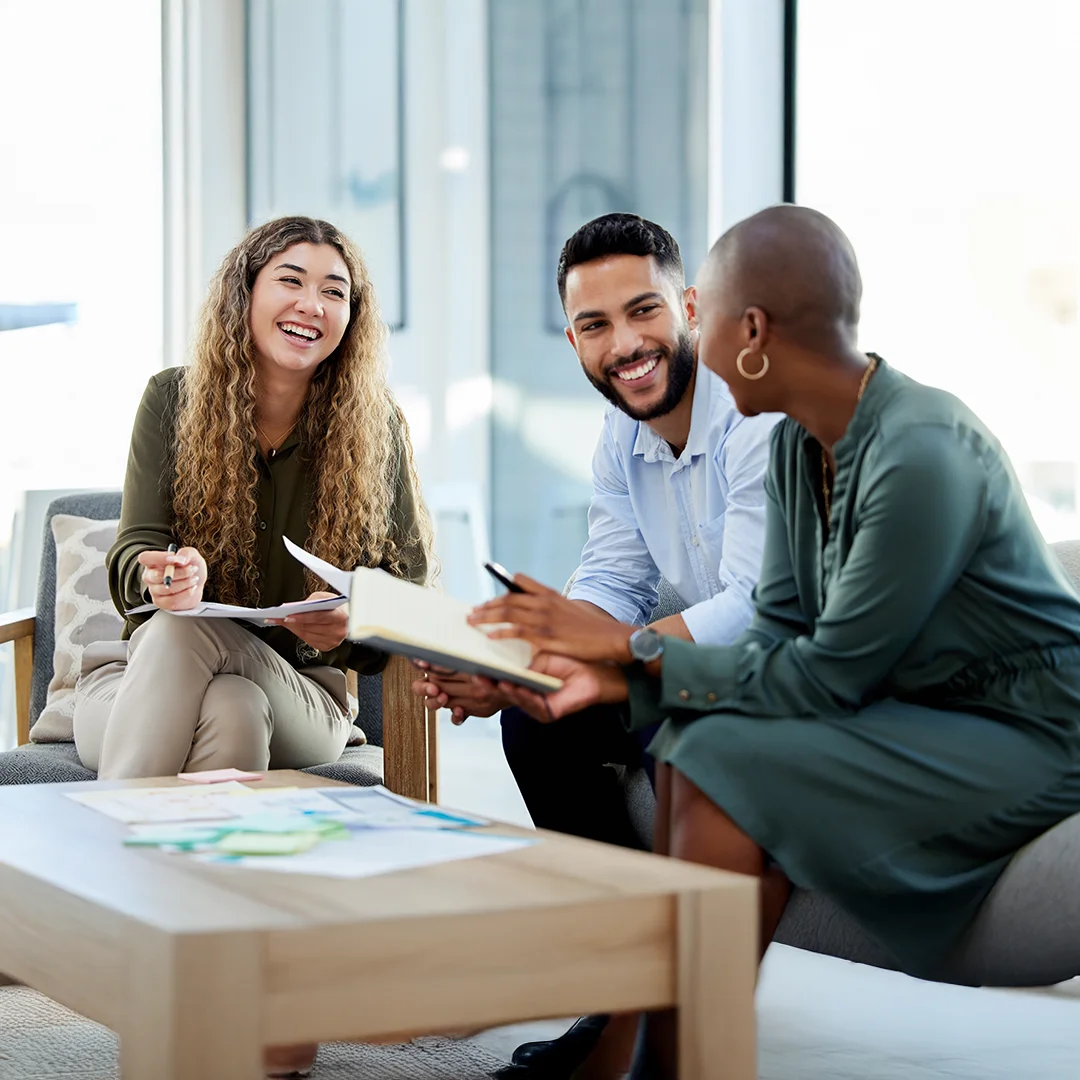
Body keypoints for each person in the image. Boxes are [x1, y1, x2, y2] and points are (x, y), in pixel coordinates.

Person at [478, 204, 1080, 1079]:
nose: (697, 347)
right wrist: (573, 669)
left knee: (719, 756)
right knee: (703, 741)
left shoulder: (920, 451)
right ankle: (672, 1050)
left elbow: (829, 672)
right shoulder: (805, 444)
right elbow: (786, 635)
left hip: (1019, 725)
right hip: (893, 700)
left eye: (699, 314)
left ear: (744, 328)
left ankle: (663, 1053)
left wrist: (622, 669)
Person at [71, 214, 432, 1078]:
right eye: (291, 280)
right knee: (212, 682)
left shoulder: (373, 425)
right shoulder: (173, 399)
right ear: (246, 293)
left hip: (307, 699)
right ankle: (229, 997)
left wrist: (351, 624)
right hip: (137, 689)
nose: (312, 303)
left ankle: (107, 917)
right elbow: (133, 551)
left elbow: (414, 598)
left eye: (334, 290)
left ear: (353, 316)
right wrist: (164, 580)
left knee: (224, 671)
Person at [414, 213, 778, 853]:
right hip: (699, 659)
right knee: (538, 720)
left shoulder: (753, 414)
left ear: (689, 306)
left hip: (774, 670)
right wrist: (513, 667)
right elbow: (614, 579)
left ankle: (686, 921)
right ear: (573, 339)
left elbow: (753, 608)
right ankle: (615, 909)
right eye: (595, 326)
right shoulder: (622, 433)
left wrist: (596, 651)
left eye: (644, 311)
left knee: (668, 710)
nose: (625, 345)